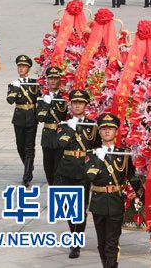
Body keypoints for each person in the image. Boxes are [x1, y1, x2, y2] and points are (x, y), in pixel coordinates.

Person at [87, 112, 137, 268]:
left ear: (116, 132)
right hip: (98, 202)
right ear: (99, 131)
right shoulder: (92, 154)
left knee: (112, 242)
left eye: (111, 128)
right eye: (104, 128)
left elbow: (132, 178)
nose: (107, 131)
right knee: (101, 243)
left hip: (115, 201)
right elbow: (89, 176)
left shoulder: (124, 155)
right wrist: (99, 159)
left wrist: (145, 199)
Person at [55, 88, 99, 259]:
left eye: (81, 103)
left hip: (83, 169)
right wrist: (71, 129)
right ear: (71, 105)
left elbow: (96, 147)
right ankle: (73, 233)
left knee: (80, 207)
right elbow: (60, 144)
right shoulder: (64, 125)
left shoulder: (92, 126)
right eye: (75, 103)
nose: (78, 105)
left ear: (86, 105)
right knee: (67, 207)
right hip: (66, 168)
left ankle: (76, 242)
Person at [7, 55, 40, 186]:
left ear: (29, 68)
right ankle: (28, 165)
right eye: (19, 66)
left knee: (29, 147)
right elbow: (10, 100)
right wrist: (15, 88)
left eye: (24, 66)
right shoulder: (14, 83)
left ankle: (26, 175)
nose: (21, 68)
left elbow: (41, 97)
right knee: (20, 145)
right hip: (19, 117)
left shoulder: (34, 83)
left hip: (31, 116)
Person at [36, 66, 68, 185]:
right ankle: (52, 185)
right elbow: (40, 117)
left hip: (61, 134)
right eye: (51, 79)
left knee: (59, 167)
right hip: (48, 136)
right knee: (48, 167)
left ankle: (56, 191)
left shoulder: (65, 97)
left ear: (60, 80)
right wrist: (46, 104)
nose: (53, 81)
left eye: (55, 78)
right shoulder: (42, 98)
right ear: (47, 81)